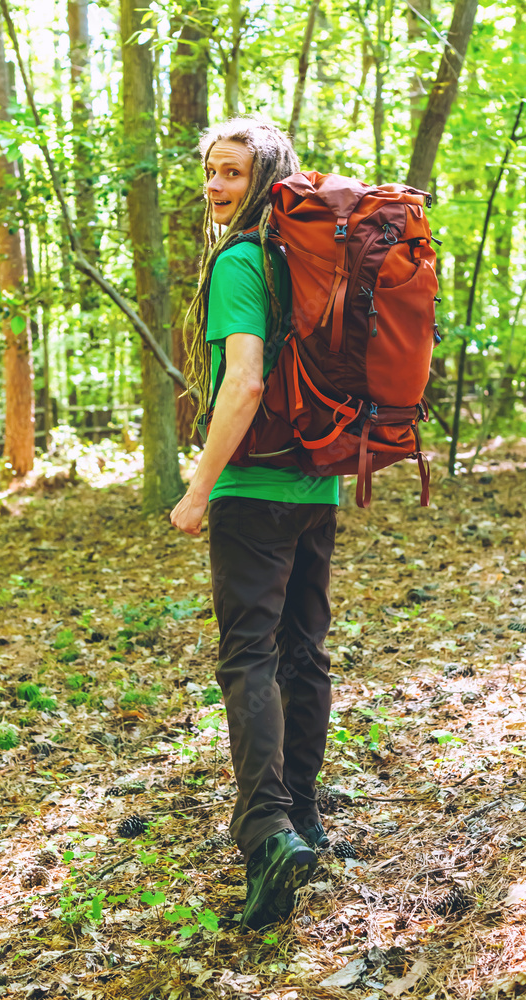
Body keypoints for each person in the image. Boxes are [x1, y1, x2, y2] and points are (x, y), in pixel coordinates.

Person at [170, 118, 339, 931]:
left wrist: (198, 489)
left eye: (232, 173)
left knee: (249, 658)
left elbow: (242, 382)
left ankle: (267, 830)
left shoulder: (241, 261)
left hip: (252, 487)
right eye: (209, 171)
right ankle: (302, 818)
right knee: (302, 652)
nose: (215, 186)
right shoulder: (310, 264)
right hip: (316, 487)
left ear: (266, 177)